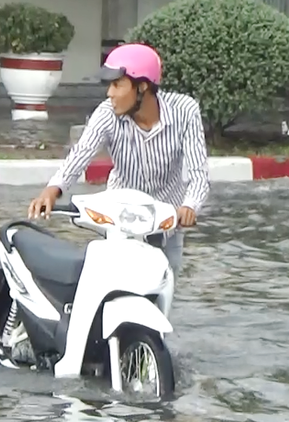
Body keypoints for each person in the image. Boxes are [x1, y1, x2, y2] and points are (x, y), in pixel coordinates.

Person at [27, 43, 210, 272]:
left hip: (166, 225)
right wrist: (52, 191)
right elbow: (79, 156)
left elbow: (198, 174)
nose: (109, 93)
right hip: (120, 223)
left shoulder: (185, 111)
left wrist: (189, 206)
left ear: (142, 87)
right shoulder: (106, 113)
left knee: (163, 292)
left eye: (117, 84)